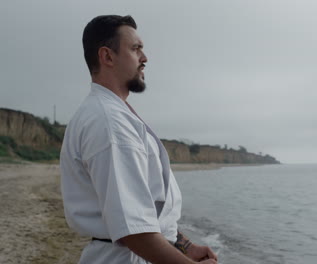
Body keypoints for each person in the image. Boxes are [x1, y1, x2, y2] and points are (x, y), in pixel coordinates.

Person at [60, 15, 218, 264]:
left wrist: (185, 246)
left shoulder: (114, 114)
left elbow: (145, 210)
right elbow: (135, 232)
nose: (144, 58)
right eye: (135, 49)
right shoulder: (110, 123)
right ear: (107, 56)